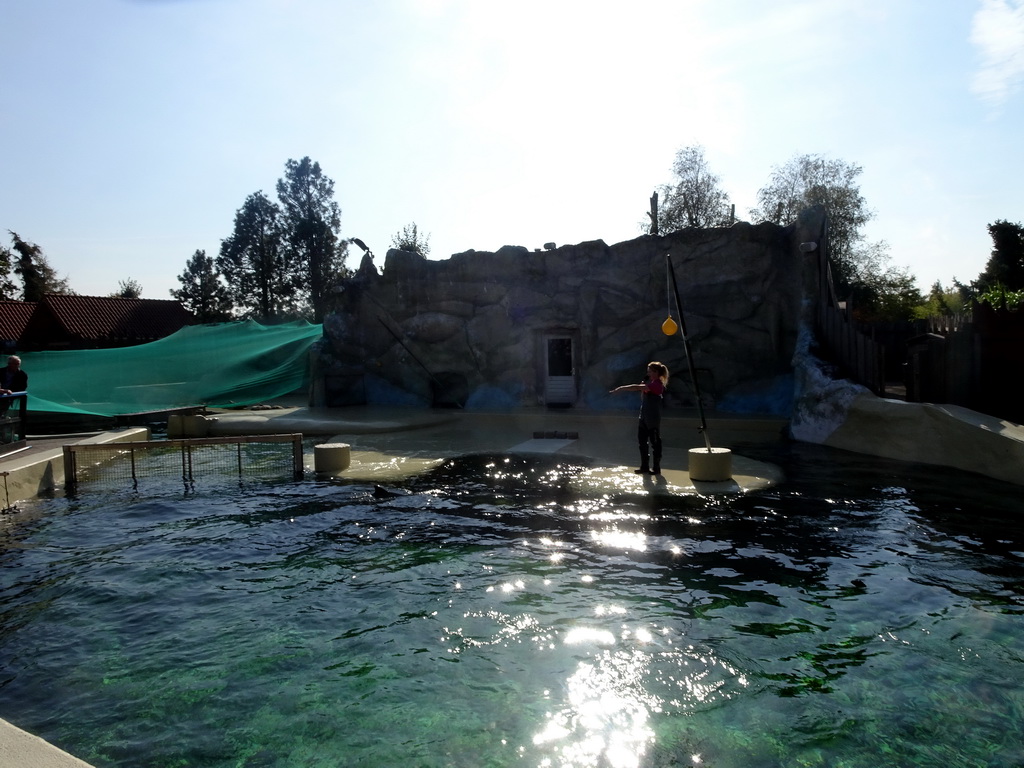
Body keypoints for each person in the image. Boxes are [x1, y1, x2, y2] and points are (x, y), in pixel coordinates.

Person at [609, 361, 669, 475]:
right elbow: (642, 390)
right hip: (644, 416)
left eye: (650, 371)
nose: (648, 373)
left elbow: (637, 387)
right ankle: (644, 466)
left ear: (656, 372)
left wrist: (621, 388)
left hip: (652, 418)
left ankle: (656, 468)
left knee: (655, 443)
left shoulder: (657, 384)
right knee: (642, 442)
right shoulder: (649, 381)